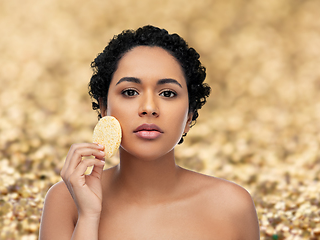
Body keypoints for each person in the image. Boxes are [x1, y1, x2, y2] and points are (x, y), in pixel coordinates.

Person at [39, 25, 260, 240]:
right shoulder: (66, 199)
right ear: (104, 108)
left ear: (189, 116)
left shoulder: (233, 206)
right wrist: (89, 216)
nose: (149, 107)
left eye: (168, 93)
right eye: (130, 91)